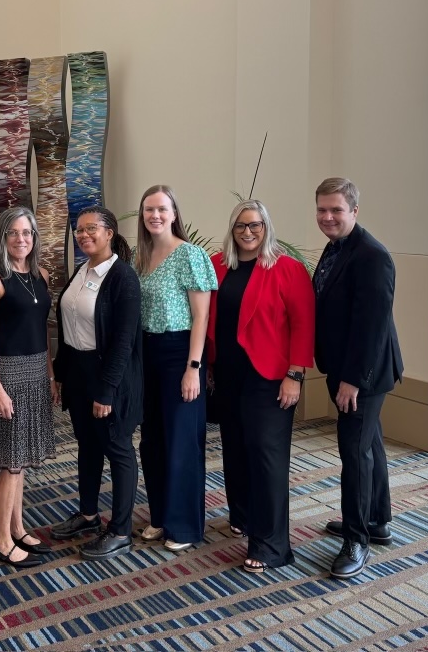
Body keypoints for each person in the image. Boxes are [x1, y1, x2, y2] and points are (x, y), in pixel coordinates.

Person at [206, 200, 314, 574]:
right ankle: (244, 516)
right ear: (231, 230)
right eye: (240, 226)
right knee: (235, 449)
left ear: (267, 228)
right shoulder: (218, 265)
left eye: (255, 226)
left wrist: (295, 375)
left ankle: (272, 545)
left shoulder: (288, 269)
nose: (248, 232)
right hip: (227, 376)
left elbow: (303, 325)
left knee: (267, 458)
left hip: (270, 378)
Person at [313, 177, 403, 579]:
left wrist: (352, 379)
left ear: (354, 211)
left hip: (361, 375)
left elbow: (373, 327)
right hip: (343, 367)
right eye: (322, 210)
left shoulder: (372, 256)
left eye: (336, 210)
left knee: (355, 454)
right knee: (370, 447)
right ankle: (377, 521)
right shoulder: (336, 249)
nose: (328, 217)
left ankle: (356, 540)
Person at [51, 206, 143, 560]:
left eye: (91, 229)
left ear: (109, 232)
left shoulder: (122, 278)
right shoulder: (82, 270)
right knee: (87, 445)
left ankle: (120, 530)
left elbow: (123, 342)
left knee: (117, 448)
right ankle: (89, 515)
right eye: (79, 230)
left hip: (109, 376)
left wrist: (107, 390)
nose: (84, 235)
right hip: (78, 372)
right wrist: (60, 375)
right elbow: (70, 325)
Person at [133, 184, 218, 552]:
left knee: (182, 441)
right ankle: (160, 517)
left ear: (174, 214)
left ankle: (184, 526)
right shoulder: (142, 255)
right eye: (149, 209)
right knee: (153, 441)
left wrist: (193, 368)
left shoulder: (191, 255)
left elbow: (201, 317)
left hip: (180, 352)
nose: (155, 215)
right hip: (147, 355)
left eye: (162, 209)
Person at [0, 206, 57, 569]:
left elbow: (42, 331)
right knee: (11, 462)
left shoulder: (41, 274)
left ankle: (19, 527)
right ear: (2, 238)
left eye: (27, 233)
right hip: (7, 375)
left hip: (37, 371)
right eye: (13, 234)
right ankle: (2, 540)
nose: (21, 239)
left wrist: (51, 376)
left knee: (21, 461)